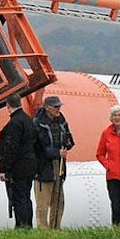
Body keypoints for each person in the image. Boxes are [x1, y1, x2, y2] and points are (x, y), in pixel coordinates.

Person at [33, 97, 75, 229]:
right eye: (56, 107)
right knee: (43, 202)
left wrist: (68, 144)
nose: (58, 109)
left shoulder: (62, 121)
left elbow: (70, 139)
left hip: (59, 164)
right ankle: (43, 230)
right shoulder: (37, 123)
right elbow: (38, 148)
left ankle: (55, 228)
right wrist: (56, 153)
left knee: (58, 200)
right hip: (43, 167)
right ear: (47, 107)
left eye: (59, 106)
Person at [0, 98, 39, 229]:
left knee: (18, 198)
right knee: (26, 197)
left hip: (18, 167)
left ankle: (21, 226)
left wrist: (4, 169)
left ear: (8, 106)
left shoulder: (14, 123)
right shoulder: (28, 120)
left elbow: (10, 148)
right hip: (30, 165)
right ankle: (28, 225)